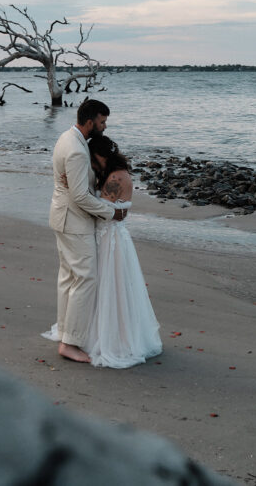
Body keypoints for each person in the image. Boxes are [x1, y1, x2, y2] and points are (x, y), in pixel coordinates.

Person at [45, 99, 126, 363]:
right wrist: (111, 212)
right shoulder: (79, 151)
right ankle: (71, 343)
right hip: (75, 222)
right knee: (85, 279)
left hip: (61, 217)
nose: (104, 126)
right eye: (102, 122)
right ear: (90, 121)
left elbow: (73, 187)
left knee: (68, 278)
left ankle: (65, 332)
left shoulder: (66, 138)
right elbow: (80, 196)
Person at [81, 135, 162, 368]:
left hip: (110, 238)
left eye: (92, 157)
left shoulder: (115, 178)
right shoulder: (116, 173)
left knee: (111, 286)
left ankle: (115, 339)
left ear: (101, 155)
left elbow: (108, 211)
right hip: (113, 236)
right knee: (114, 286)